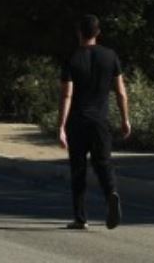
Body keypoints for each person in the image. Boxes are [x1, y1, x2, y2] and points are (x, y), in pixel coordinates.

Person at [57, 13, 131, 229]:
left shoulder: (72, 59)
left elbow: (66, 95)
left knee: (78, 169)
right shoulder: (110, 56)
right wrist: (125, 119)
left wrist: (61, 126)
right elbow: (120, 92)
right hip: (100, 122)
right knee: (103, 163)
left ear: (79, 33)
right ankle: (111, 194)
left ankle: (80, 218)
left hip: (77, 122)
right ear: (98, 33)